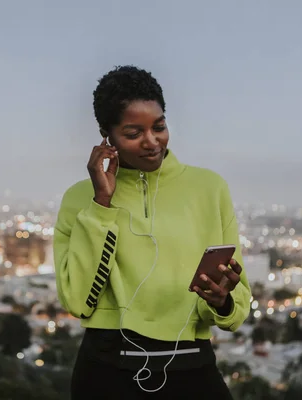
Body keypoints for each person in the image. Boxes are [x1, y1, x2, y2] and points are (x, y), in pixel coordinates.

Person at [53, 65, 251, 399]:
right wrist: (101, 203)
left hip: (191, 364)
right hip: (106, 371)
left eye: (159, 127)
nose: (152, 142)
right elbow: (78, 301)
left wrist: (222, 301)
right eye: (133, 133)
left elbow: (237, 302)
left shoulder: (209, 188)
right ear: (107, 135)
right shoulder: (79, 198)